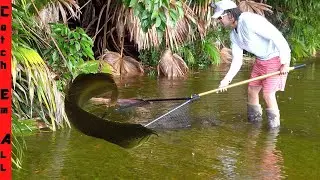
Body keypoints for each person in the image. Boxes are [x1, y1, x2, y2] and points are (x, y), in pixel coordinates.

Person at [211, 0, 291, 129]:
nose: (219, 21)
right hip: (260, 60)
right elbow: (237, 60)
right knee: (252, 90)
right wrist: (226, 80)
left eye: (220, 17)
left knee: (267, 94)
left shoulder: (248, 20)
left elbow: (277, 37)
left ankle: (273, 131)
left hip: (275, 58)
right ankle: (254, 125)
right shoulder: (234, 35)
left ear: (230, 14)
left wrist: (285, 63)